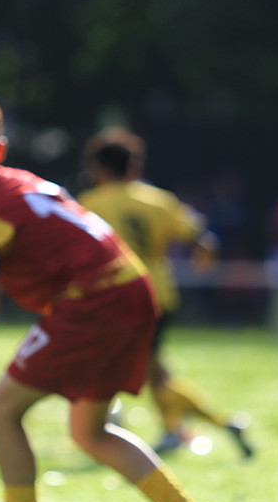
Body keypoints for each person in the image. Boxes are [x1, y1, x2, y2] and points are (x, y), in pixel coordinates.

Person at [0, 94, 222, 502]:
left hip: (94, 301)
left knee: (2, 409)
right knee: (89, 430)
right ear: (0, 149)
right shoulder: (26, 182)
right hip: (136, 289)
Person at [79, 127, 253, 458]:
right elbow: (204, 239)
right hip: (160, 294)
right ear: (133, 166)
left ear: (98, 169)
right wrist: (205, 264)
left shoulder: (92, 204)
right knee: (154, 373)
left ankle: (221, 422)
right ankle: (178, 429)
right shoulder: (157, 200)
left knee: (134, 372)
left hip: (119, 298)